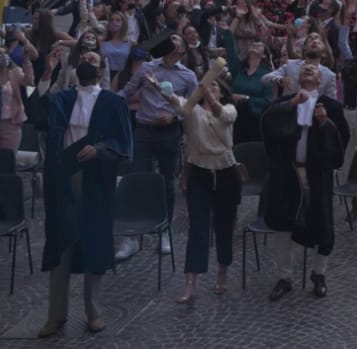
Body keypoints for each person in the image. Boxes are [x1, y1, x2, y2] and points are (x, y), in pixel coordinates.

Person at [40, 55, 132, 337]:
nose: (88, 62)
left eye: (94, 57)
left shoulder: (112, 102)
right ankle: (56, 315)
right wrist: (46, 73)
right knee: (61, 244)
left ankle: (94, 311)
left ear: (102, 69)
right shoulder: (63, 98)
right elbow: (39, 111)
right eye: (84, 57)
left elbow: (123, 141)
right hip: (64, 176)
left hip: (94, 180)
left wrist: (101, 148)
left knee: (93, 241)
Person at [261, 62, 348, 301]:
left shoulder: (331, 107)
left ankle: (319, 273)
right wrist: (291, 104)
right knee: (284, 221)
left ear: (321, 79)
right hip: (288, 171)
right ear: (298, 77)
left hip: (318, 173)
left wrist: (324, 123)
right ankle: (284, 276)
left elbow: (341, 145)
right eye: (304, 68)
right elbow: (267, 124)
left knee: (323, 223)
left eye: (314, 69)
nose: (308, 69)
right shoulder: (285, 102)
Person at [119, 33, 198, 258]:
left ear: (181, 48)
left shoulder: (188, 76)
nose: (170, 40)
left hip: (168, 132)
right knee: (136, 179)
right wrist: (104, 100)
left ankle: (165, 230)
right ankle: (131, 236)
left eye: (175, 39)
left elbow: (191, 107)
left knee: (166, 182)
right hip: (143, 129)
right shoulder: (147, 68)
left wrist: (175, 118)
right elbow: (128, 90)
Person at [171, 60, 240, 303]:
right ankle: (191, 282)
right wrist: (160, 88)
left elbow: (223, 114)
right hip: (199, 172)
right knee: (198, 228)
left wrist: (209, 95)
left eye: (214, 88)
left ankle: (222, 271)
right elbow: (178, 105)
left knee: (224, 225)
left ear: (220, 92)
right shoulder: (193, 112)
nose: (209, 90)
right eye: (206, 88)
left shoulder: (230, 109)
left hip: (226, 172)